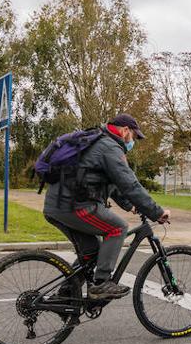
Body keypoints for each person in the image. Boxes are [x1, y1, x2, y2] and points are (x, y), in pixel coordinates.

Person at [43, 113, 169, 299]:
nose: (133, 141)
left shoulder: (99, 140)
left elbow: (110, 184)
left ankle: (66, 295)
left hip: (58, 205)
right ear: (125, 131)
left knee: (92, 250)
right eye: (134, 136)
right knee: (118, 228)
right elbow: (129, 184)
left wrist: (130, 206)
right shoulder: (110, 147)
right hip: (76, 206)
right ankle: (101, 284)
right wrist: (156, 212)